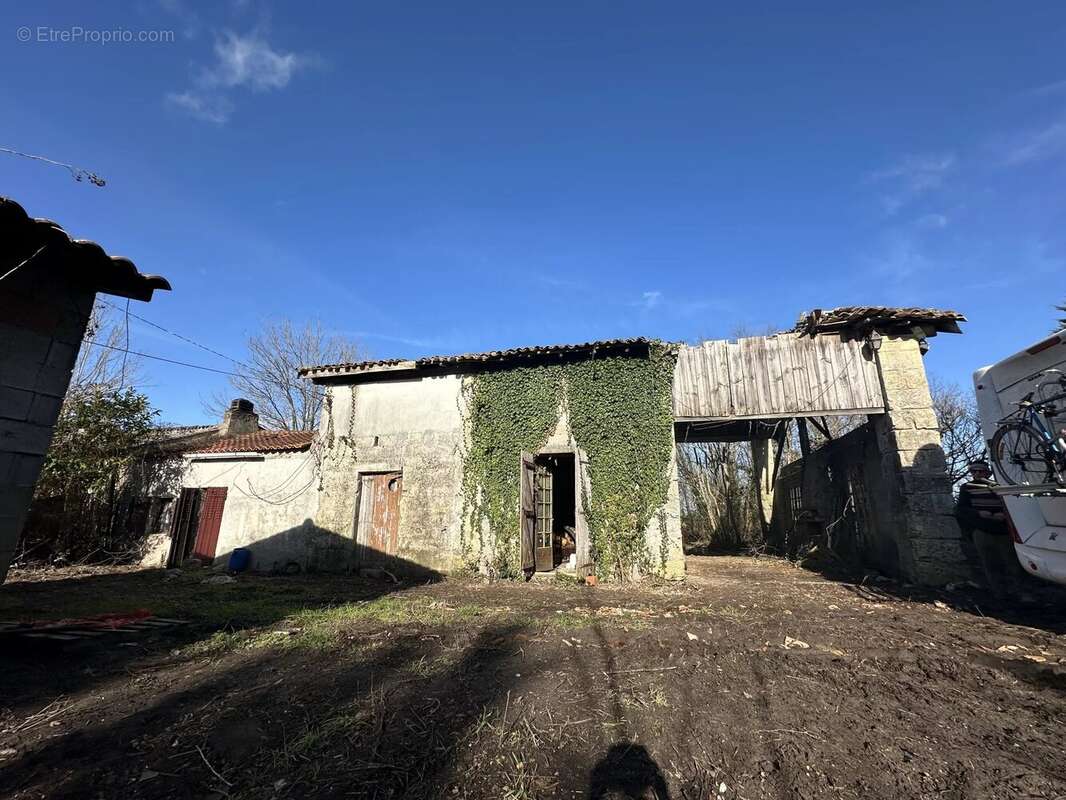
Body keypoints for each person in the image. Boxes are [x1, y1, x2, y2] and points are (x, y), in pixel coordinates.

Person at [956, 459, 1028, 599]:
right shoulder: (966, 487)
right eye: (974, 471)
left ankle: (1021, 592)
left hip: (1003, 531)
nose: (977, 473)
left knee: (1013, 564)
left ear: (987, 472)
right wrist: (978, 514)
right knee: (990, 564)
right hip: (982, 531)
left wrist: (1004, 515)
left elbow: (1012, 505)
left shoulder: (999, 486)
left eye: (980, 471)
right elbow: (962, 509)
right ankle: (999, 594)